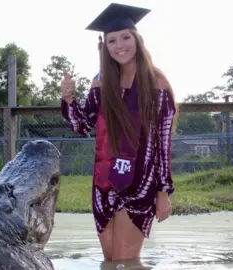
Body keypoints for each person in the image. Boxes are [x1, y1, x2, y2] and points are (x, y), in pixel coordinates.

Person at [59, 3, 177, 262]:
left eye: (125, 37)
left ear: (137, 39)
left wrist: (163, 191)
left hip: (140, 183)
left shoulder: (156, 84)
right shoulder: (101, 82)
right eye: (112, 40)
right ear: (105, 46)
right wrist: (68, 99)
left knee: (126, 260)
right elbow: (82, 125)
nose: (119, 45)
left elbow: (163, 143)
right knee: (111, 260)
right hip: (104, 184)